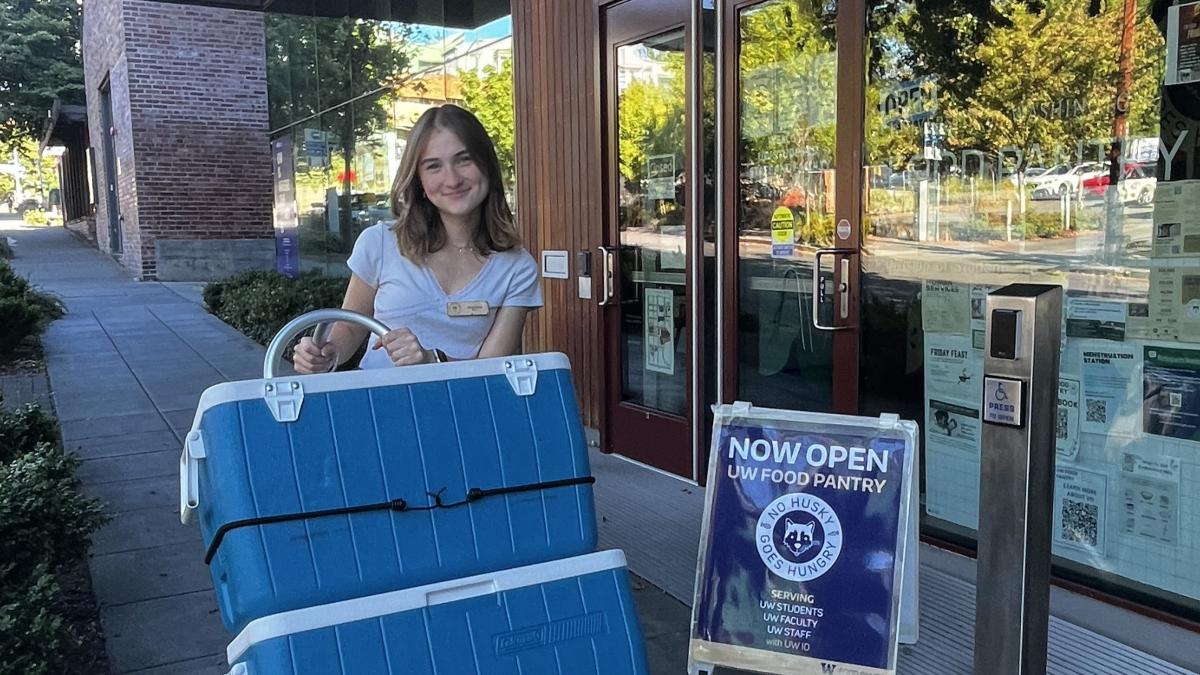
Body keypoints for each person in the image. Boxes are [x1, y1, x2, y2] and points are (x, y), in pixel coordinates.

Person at [292, 104, 542, 374]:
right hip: (378, 408)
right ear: (418, 180)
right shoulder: (380, 243)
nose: (452, 179)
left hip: (463, 412)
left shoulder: (517, 267)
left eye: (464, 159)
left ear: (488, 167)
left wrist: (431, 362)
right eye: (433, 166)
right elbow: (351, 328)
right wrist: (325, 355)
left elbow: (491, 372)